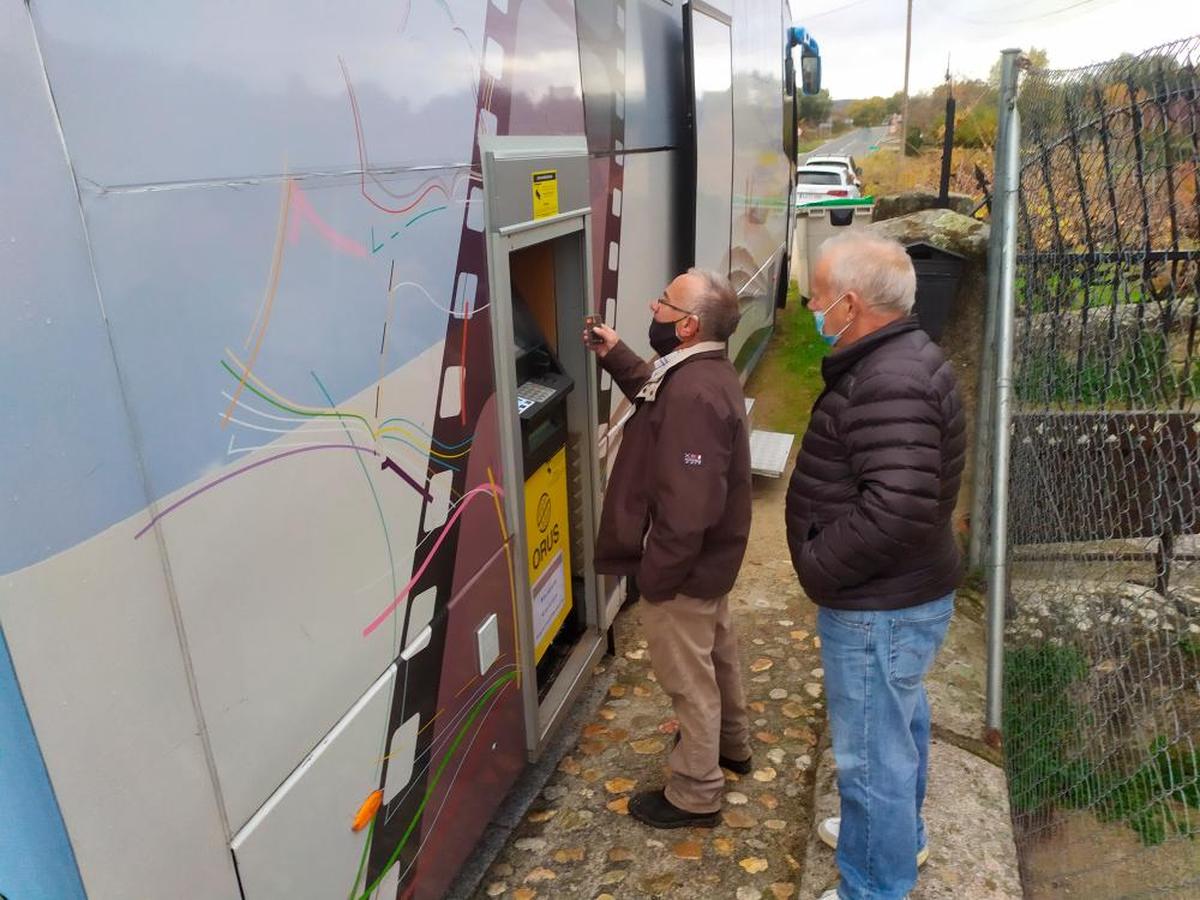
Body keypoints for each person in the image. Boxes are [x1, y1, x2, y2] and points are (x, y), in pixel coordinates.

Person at [784, 233, 965, 900]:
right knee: (900, 726)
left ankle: (873, 887)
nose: (810, 307)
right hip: (901, 595)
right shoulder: (903, 359)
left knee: (871, 759)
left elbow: (898, 507)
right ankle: (897, 839)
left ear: (852, 304)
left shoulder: (890, 378)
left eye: (817, 298)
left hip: (877, 605)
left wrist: (818, 566)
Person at [583, 268, 753, 829]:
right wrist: (617, 355)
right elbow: (658, 391)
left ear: (687, 326)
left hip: (684, 571)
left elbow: (687, 509)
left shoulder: (696, 396)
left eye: (665, 303)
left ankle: (695, 793)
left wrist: (657, 577)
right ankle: (732, 747)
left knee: (689, 683)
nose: (654, 306)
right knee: (717, 655)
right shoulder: (699, 372)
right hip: (709, 566)